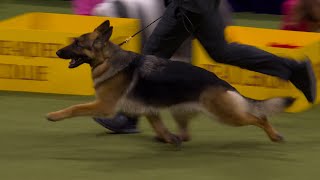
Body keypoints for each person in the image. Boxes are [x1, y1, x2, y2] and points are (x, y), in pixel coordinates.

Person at [94, 0, 317, 134]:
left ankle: (128, 118)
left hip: (189, 5)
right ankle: (294, 69)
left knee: (151, 57)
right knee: (222, 52)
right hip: (202, 4)